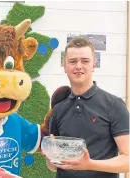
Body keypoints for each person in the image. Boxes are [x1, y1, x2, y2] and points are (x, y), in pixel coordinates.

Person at [45, 37, 129, 178]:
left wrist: (90, 164)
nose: (78, 66)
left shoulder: (114, 105)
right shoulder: (58, 109)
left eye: (85, 61)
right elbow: (53, 166)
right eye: (72, 61)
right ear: (64, 66)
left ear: (93, 65)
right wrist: (51, 159)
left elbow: (127, 159)